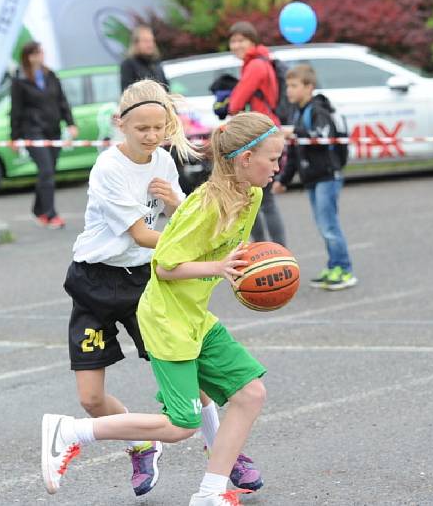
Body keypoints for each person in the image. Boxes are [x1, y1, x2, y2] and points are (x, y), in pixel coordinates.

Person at [41, 112, 283, 506]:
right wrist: (219, 269)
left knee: (250, 393)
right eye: (271, 159)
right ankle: (70, 432)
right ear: (244, 159)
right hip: (166, 318)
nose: (277, 167)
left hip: (194, 316)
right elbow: (165, 265)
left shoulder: (251, 196)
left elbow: (224, 252)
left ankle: (210, 493)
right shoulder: (204, 205)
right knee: (180, 424)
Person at [273, 64, 357, 291]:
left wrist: (294, 131)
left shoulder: (318, 109)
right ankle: (333, 266)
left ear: (309, 87)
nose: (288, 90)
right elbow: (295, 151)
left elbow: (321, 136)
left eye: (293, 86)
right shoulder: (297, 112)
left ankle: (344, 269)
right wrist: (283, 179)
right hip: (312, 178)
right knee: (323, 224)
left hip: (327, 176)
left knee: (329, 225)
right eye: (287, 86)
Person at [227, 21, 287, 246]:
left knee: (259, 198)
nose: (236, 45)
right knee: (257, 197)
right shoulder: (263, 61)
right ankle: (271, 249)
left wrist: (227, 101)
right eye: (233, 41)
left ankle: (269, 250)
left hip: (259, 135)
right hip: (266, 131)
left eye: (241, 40)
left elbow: (235, 103)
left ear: (252, 41)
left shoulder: (255, 66)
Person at [10, 41, 78, 229]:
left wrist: (70, 122)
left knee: (48, 172)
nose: (42, 56)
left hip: (52, 130)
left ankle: (38, 210)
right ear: (29, 56)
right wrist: (15, 137)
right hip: (33, 132)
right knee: (46, 170)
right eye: (38, 53)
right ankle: (50, 214)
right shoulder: (19, 80)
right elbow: (16, 110)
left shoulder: (50, 75)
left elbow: (62, 101)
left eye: (42, 52)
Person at [120, 25, 169, 91]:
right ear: (136, 43)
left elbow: (166, 88)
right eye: (146, 41)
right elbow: (127, 93)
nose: (150, 44)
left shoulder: (156, 63)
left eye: (152, 40)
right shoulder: (128, 65)